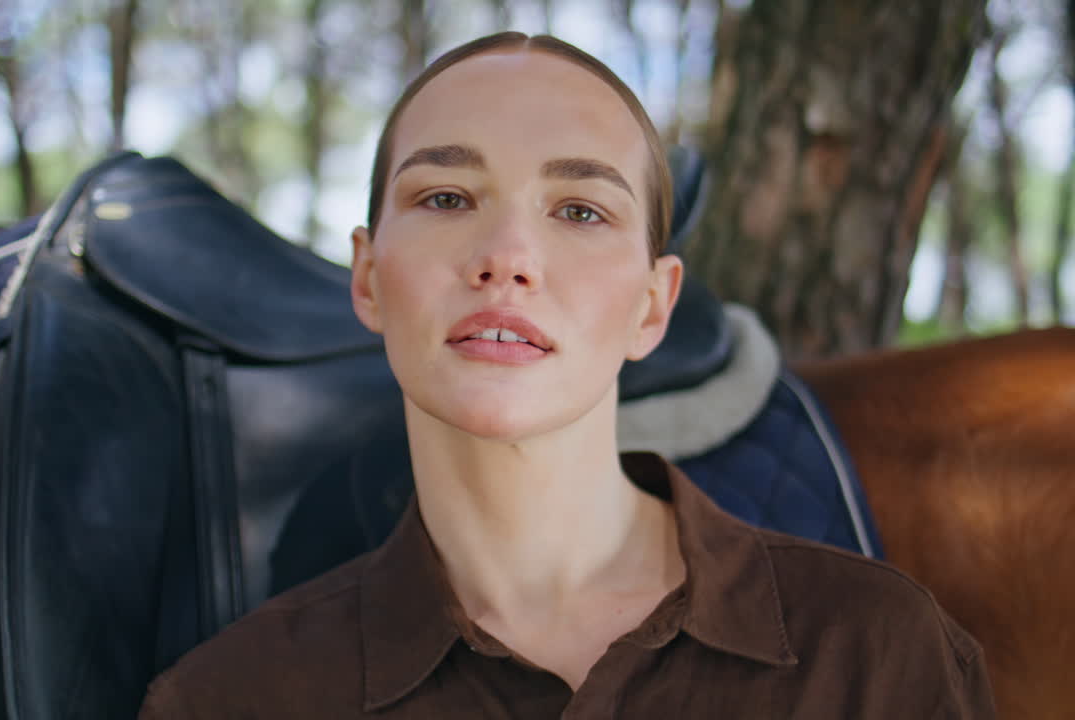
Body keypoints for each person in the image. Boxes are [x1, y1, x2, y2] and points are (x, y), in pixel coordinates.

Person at [138, 32, 995, 718]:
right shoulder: (228, 700)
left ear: (651, 308)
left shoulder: (879, 659)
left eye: (580, 210)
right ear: (367, 279)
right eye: (445, 197)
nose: (506, 258)